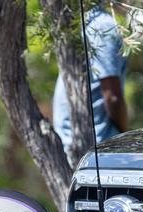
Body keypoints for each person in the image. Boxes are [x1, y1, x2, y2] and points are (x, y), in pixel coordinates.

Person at [52, 4, 127, 156]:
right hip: (98, 145)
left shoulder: (82, 22)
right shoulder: (103, 26)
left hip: (71, 141)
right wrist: (125, 135)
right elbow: (112, 97)